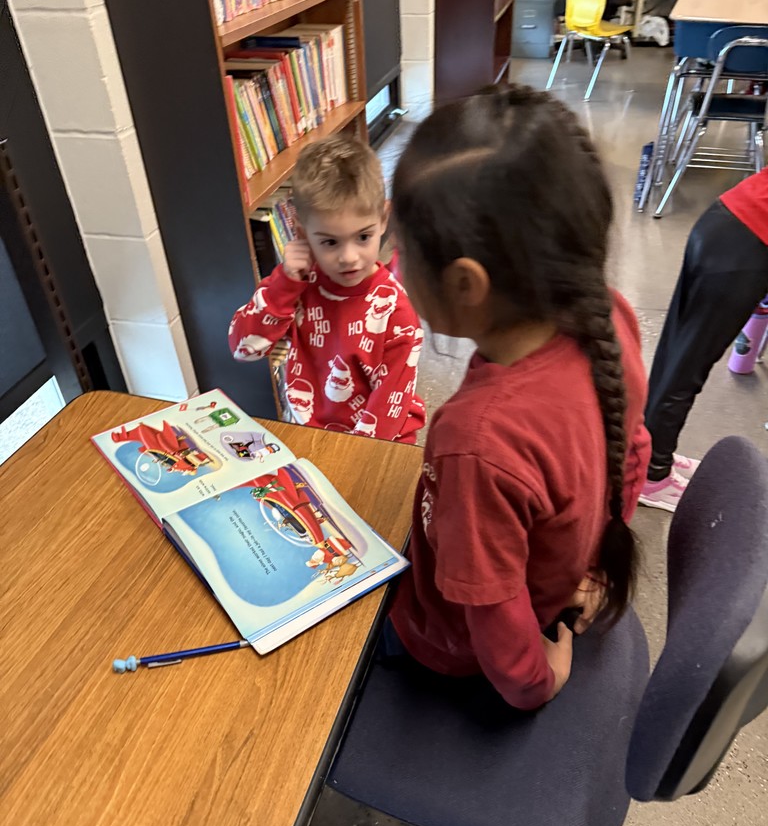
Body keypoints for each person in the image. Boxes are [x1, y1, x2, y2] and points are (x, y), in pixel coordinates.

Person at [381, 84, 650, 711]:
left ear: (465, 283)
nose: (393, 268)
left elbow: (490, 606)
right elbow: (630, 450)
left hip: (448, 646)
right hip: (549, 586)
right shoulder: (610, 315)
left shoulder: (477, 440)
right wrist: (592, 559)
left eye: (402, 253)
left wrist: (537, 684)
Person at [228, 135, 426, 443]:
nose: (349, 258)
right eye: (330, 242)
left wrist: (343, 458)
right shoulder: (298, 286)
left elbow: (386, 416)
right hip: (310, 432)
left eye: (363, 237)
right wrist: (283, 284)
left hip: (376, 442)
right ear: (302, 233)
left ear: (383, 218)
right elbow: (243, 347)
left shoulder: (396, 313)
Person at [640, 168, 768, 511]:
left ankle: (650, 453)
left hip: (726, 221)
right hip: (748, 244)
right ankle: (651, 477)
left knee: (675, 357)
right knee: (684, 368)